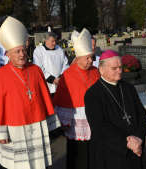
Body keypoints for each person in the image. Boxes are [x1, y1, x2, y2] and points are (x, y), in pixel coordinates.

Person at [0, 16, 58, 169]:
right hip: (13, 128)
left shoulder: (36, 70)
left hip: (36, 124)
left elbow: (45, 98)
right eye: (17, 51)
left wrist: (50, 122)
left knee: (38, 164)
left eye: (23, 50)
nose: (22, 54)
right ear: (8, 55)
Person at [84, 50, 146, 169]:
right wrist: (127, 142)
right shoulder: (93, 94)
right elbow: (99, 126)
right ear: (101, 70)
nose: (119, 71)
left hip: (135, 149)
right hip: (110, 153)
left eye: (120, 67)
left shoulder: (129, 88)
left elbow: (142, 115)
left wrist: (139, 137)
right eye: (114, 68)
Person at [53, 28, 100, 169]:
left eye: (91, 57)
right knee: (77, 155)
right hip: (75, 122)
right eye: (87, 58)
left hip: (94, 120)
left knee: (94, 154)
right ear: (78, 58)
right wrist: (64, 121)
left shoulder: (95, 72)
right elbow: (62, 98)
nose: (90, 61)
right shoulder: (67, 75)